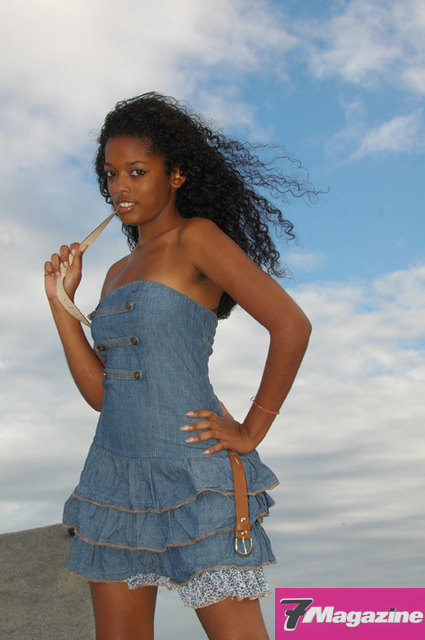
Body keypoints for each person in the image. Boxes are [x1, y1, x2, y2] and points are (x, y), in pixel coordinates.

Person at [44, 93, 312, 640]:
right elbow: (104, 396)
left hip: (193, 472)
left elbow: (291, 325)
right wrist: (60, 303)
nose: (120, 187)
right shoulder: (115, 272)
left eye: (137, 172)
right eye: (111, 174)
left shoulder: (198, 238)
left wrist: (251, 429)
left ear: (177, 175)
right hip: (113, 480)